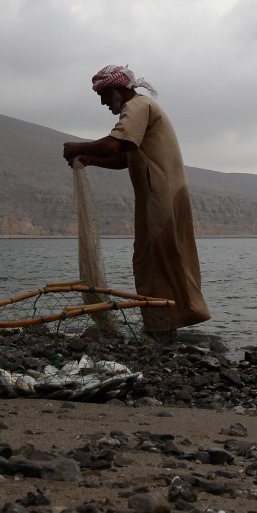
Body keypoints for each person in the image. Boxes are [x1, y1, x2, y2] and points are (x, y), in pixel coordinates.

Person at [62, 65, 210, 340]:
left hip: (160, 195)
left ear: (119, 89)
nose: (104, 102)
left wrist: (78, 148)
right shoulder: (143, 109)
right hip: (160, 194)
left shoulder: (137, 107)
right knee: (163, 258)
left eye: (105, 95)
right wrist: (92, 161)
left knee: (152, 260)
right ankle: (166, 323)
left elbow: (117, 145)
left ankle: (161, 328)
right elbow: (126, 156)